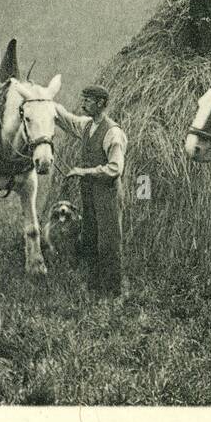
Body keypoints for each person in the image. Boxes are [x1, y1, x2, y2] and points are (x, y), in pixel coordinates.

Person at [56, 85, 128, 299]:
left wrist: (83, 171)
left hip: (107, 194)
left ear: (101, 104)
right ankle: (95, 287)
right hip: (89, 192)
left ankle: (113, 293)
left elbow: (115, 169)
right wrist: (44, 101)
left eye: (88, 100)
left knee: (109, 242)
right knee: (91, 238)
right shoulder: (87, 125)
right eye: (83, 98)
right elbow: (67, 120)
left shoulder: (113, 133)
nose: (83, 103)